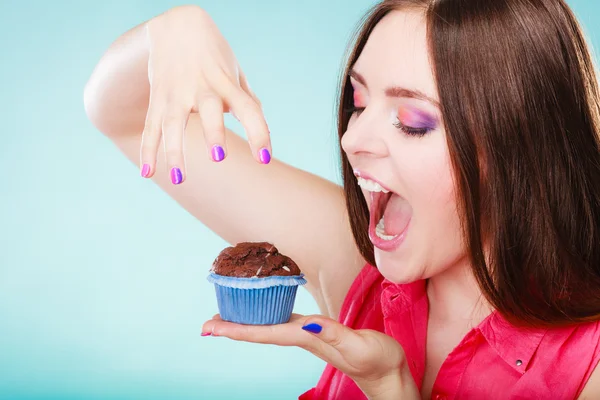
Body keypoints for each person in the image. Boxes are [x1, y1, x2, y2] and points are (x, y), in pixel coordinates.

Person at [83, 0, 600, 398]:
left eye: (412, 122)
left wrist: (392, 385)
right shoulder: (351, 257)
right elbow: (118, 112)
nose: (352, 140)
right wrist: (174, 30)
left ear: (521, 149)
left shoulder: (590, 365)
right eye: (359, 101)